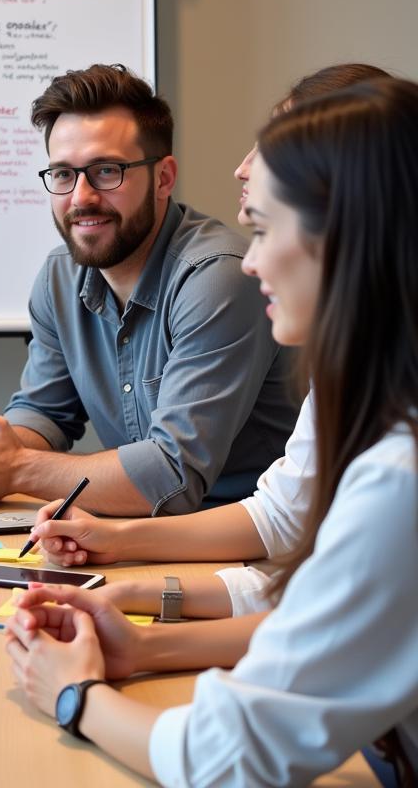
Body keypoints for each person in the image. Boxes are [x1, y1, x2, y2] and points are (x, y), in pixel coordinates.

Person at [5, 78, 418, 785]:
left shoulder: (398, 477)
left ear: (343, 236)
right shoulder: (378, 400)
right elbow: (309, 590)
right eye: (63, 175)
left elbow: (227, 755)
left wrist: (75, 696)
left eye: (264, 229)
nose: (250, 260)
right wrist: (137, 635)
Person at [30, 62, 392, 621]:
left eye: (106, 170)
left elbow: (336, 640)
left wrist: (89, 695)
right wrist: (117, 559)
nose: (242, 167)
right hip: (240, 561)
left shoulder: (400, 452)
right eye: (63, 173)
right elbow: (280, 523)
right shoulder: (353, 366)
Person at [0, 64, 298, 516]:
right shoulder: (59, 277)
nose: (81, 197)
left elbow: (171, 474)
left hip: (246, 540)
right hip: (133, 535)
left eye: (106, 171)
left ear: (164, 178)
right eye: (63, 174)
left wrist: (21, 469)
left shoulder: (218, 278)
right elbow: (46, 410)